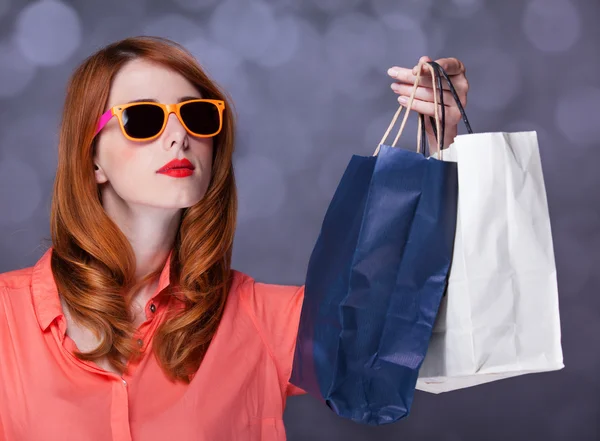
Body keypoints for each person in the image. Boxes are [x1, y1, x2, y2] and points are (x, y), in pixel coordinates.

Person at [0, 36, 469, 441]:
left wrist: (442, 147)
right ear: (93, 159)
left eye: (197, 115)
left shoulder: (260, 320)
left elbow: (415, 316)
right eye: (144, 119)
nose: (179, 136)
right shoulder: (7, 319)